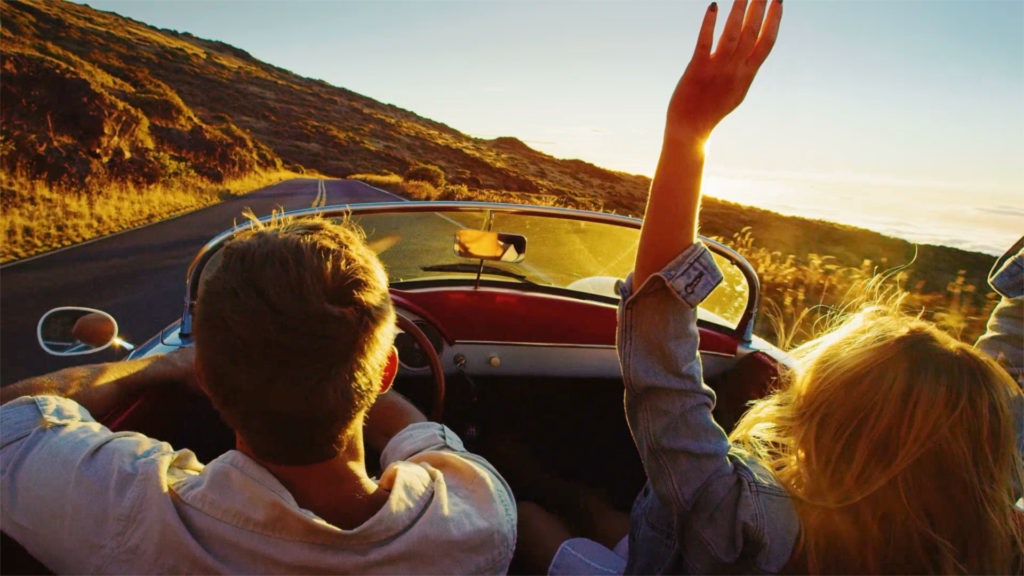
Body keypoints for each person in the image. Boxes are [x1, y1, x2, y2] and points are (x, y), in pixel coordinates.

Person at [522, 0, 1024, 574]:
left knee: (533, 521)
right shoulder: (984, 523)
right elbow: (1011, 366)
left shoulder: (744, 523)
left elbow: (659, 342)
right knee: (605, 514)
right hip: (667, 545)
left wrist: (688, 131)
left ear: (831, 426)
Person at [0, 215, 516, 574]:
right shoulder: (478, 521)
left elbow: (16, 415)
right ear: (386, 373)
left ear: (204, 377)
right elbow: (425, 439)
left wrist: (155, 366)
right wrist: (340, 364)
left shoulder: (127, 514)